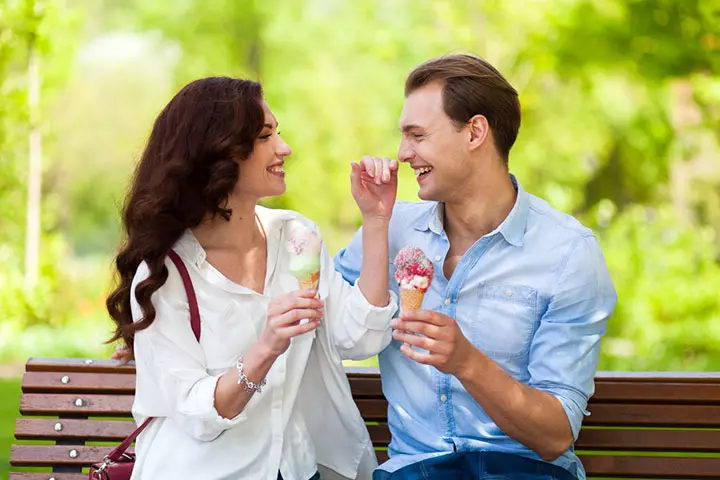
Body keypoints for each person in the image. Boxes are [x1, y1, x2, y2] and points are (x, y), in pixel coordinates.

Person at [334, 54, 618, 480]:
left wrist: (466, 361)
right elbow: (327, 327)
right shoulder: (387, 229)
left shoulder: (566, 254)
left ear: (475, 132)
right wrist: (375, 222)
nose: (403, 153)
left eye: (417, 135)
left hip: (523, 472)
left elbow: (556, 435)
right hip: (415, 471)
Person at [105, 76, 399, 480]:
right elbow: (198, 414)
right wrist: (266, 346)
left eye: (278, 132)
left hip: (295, 470)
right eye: (265, 136)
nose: (285, 148)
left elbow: (361, 337)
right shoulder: (164, 273)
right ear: (219, 152)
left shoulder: (296, 236)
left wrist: (376, 220)